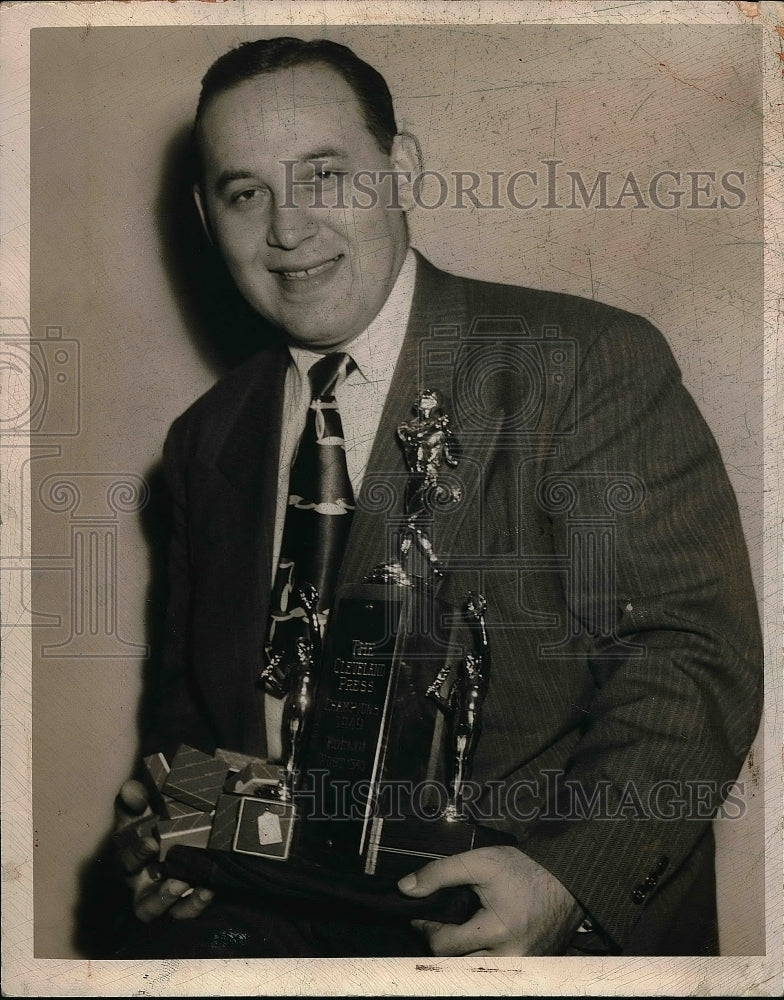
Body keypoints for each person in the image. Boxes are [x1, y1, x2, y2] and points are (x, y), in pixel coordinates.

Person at [113, 36, 762, 958]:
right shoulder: (203, 440)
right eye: (245, 191)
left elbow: (693, 657)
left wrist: (569, 882)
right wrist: (169, 838)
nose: (287, 230)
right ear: (206, 214)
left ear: (400, 168)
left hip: (518, 950)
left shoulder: (576, 363)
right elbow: (193, 717)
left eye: (324, 175)